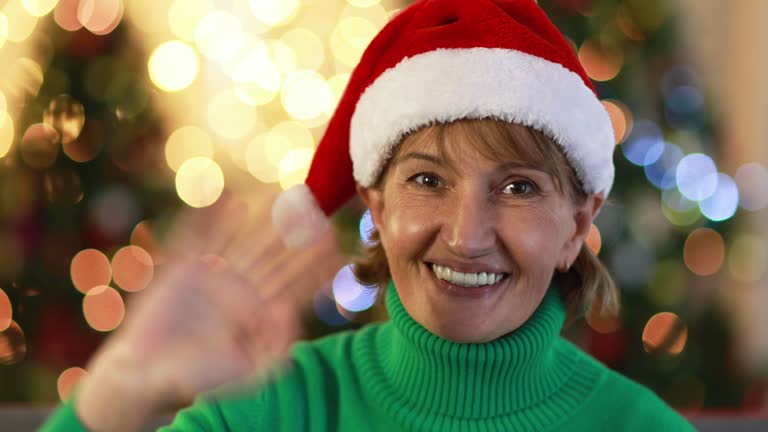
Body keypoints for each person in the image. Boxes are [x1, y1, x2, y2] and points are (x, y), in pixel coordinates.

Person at [42, 0, 697, 430]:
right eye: (427, 179)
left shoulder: (640, 427)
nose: (467, 235)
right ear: (377, 208)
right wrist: (122, 388)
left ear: (578, 227)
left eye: (519, 188)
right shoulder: (269, 410)